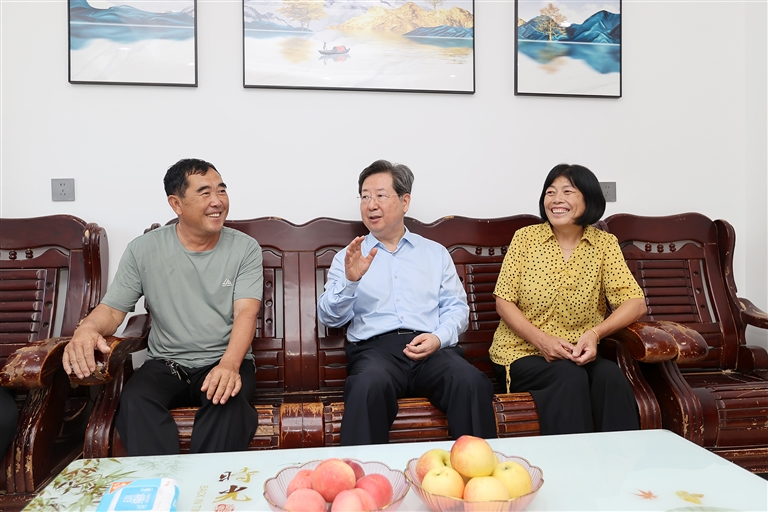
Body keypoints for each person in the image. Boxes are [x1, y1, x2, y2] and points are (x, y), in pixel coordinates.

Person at [63, 158, 263, 456]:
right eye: (205, 193)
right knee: (135, 401)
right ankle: (161, 481)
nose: (217, 201)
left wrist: (230, 365)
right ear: (176, 204)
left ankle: (204, 481)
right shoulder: (143, 249)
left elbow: (246, 313)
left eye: (221, 190)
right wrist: (87, 329)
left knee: (228, 404)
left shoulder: (245, 248)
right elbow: (114, 310)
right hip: (167, 363)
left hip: (224, 359)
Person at [317, 159, 497, 445]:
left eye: (380, 195)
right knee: (366, 386)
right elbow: (329, 318)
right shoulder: (348, 258)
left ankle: (480, 470)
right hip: (375, 352)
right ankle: (363, 473)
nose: (371, 205)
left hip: (432, 348)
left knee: (470, 382)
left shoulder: (435, 253)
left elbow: (456, 309)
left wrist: (438, 338)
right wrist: (350, 281)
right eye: (364, 197)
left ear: (405, 201)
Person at [490, 163, 646, 435]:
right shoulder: (525, 239)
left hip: (577, 353)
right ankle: (573, 460)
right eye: (550, 192)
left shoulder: (604, 244)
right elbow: (503, 302)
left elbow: (635, 303)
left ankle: (622, 460)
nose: (556, 199)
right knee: (568, 376)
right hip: (522, 352)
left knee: (610, 376)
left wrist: (595, 334)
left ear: (589, 199)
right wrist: (542, 340)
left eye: (567, 192)